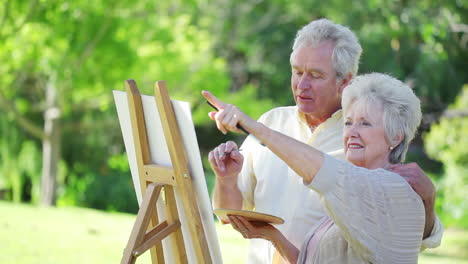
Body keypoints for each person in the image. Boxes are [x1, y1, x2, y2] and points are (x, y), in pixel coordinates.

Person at [207, 19, 443, 263]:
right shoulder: (272, 120)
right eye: (297, 72)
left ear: (345, 81)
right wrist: (227, 179)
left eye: (316, 75)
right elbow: (230, 216)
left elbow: (409, 235)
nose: (302, 85)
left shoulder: (366, 152)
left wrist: (427, 199)